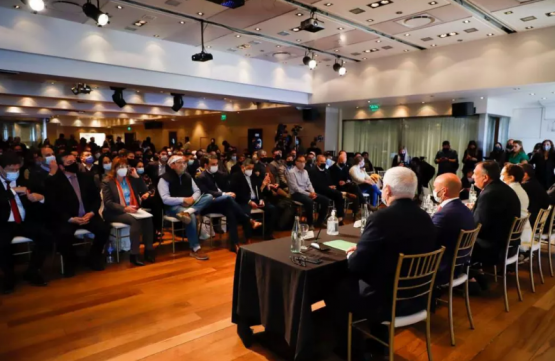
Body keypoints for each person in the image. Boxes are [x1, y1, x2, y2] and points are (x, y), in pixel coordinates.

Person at [329, 167, 437, 357]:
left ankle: (352, 350)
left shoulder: (381, 218)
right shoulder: (426, 217)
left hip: (389, 301)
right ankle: (380, 343)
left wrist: (354, 254)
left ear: (386, 190)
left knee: (338, 287)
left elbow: (356, 266)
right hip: (420, 296)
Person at [46, 152, 111, 277]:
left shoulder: (85, 177)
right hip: (68, 218)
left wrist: (91, 213)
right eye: (69, 163)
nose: (73, 165)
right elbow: (53, 205)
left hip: (87, 215)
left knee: (104, 229)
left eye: (74, 161)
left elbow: (96, 198)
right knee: (63, 234)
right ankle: (70, 262)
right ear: (61, 166)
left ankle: (93, 257)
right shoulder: (53, 182)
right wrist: (70, 219)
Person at [0, 152, 51, 294]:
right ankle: (9, 276)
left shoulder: (24, 180)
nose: (15, 173)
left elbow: (40, 195)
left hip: (23, 220)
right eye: (11, 170)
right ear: (1, 168)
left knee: (46, 236)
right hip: (4, 222)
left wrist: (40, 198)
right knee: (3, 244)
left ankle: (33, 270)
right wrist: (12, 191)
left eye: (17, 169)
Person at [158, 156, 214, 260]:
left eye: (184, 162)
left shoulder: (188, 176)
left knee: (209, 196)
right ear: (172, 165)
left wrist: (192, 199)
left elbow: (197, 191)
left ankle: (187, 212)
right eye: (179, 162)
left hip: (189, 205)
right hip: (173, 207)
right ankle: (195, 248)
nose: (183, 164)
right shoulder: (164, 179)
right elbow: (165, 199)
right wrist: (183, 200)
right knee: (191, 216)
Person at [101, 157, 155, 266]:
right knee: (134, 221)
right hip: (115, 212)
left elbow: (144, 190)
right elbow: (108, 202)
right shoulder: (107, 182)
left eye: (125, 167)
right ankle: (134, 254)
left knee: (148, 218)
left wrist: (137, 177)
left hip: (133, 209)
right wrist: (124, 208)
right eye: (121, 167)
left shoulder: (130, 179)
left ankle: (149, 250)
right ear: (115, 169)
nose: (123, 169)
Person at [471, 161, 520, 277]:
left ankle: (465, 278)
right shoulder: (504, 188)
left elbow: (478, 226)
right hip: (508, 244)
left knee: (452, 242)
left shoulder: (490, 194)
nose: (473, 177)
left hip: (494, 247)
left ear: (485, 177)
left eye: (475, 174)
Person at [431, 173, 476, 284]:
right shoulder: (464, 209)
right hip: (461, 264)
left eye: (435, 188)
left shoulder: (444, 214)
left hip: (443, 268)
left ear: (444, 191)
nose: (434, 190)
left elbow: (429, 239)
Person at [229, 158, 277, 240]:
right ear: (243, 167)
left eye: (252, 168)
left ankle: (268, 233)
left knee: (272, 209)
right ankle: (248, 237)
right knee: (246, 211)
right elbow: (236, 192)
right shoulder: (236, 176)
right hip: (244, 201)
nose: (250, 170)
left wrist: (261, 199)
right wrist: (249, 201)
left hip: (256, 200)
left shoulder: (254, 176)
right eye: (248, 168)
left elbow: (259, 189)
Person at [287, 155, 330, 230]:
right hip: (296, 194)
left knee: (325, 200)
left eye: (304, 161)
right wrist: (308, 194)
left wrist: (313, 192)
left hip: (306, 192)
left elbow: (309, 183)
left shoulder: (305, 171)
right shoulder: (291, 172)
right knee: (309, 201)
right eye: (300, 161)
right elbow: (296, 188)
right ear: (296, 162)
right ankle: (310, 223)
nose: (302, 163)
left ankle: (320, 221)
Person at [501, 164, 533, 251]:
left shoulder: (509, 191)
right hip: (523, 229)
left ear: (511, 178)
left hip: (516, 233)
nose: (501, 178)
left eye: (502, 175)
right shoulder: (520, 189)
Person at [309, 155, 346, 223]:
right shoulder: (312, 171)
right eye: (321, 161)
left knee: (339, 195)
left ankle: (340, 216)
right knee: (336, 194)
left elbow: (329, 181)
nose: (323, 163)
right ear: (317, 162)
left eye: (325, 161)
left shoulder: (326, 170)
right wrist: (328, 187)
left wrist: (331, 186)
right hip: (318, 190)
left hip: (327, 190)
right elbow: (314, 184)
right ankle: (321, 220)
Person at [521, 164, 550, 228]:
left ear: (525, 175)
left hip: (533, 221)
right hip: (542, 221)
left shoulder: (525, 187)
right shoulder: (536, 182)